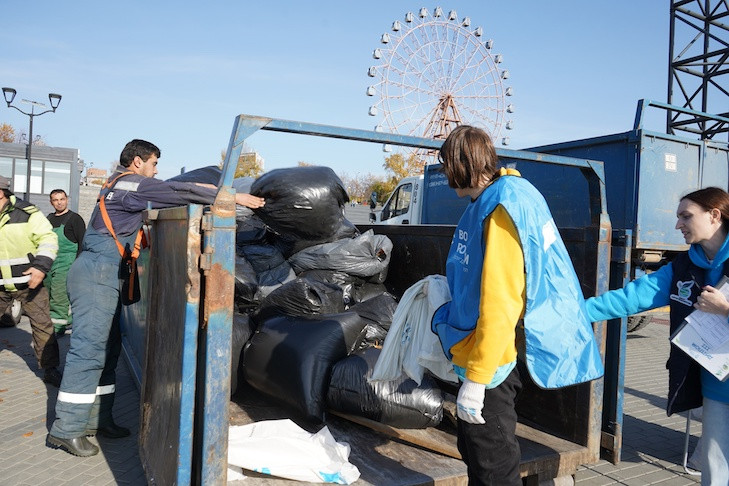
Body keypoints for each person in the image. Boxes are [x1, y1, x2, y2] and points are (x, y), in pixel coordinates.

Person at [47, 139, 265, 458]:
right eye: (153, 163)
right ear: (137, 162)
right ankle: (65, 429)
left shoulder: (120, 186)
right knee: (88, 351)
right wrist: (232, 196)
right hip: (96, 274)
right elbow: (175, 193)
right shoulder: (131, 183)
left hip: (106, 273)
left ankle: (97, 418)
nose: (156, 170)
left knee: (107, 350)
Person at [430, 126, 603, 485]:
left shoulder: (500, 208)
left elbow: (501, 301)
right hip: (487, 352)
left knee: (493, 466)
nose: (444, 173)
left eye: (447, 163)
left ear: (463, 162)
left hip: (492, 360)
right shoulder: (506, 195)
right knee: (481, 456)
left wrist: (477, 381)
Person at [585, 186, 729, 486]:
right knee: (715, 469)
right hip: (717, 386)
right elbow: (631, 297)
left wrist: (726, 308)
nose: (678, 225)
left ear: (714, 215)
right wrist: (573, 313)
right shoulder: (683, 267)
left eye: (686, 216)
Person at [0, 175, 62, 387]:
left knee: (43, 325)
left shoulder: (28, 213)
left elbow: (48, 239)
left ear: (2, 193)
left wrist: (40, 266)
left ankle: (50, 369)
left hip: (29, 283)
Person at [44, 189, 86, 337]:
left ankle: (58, 328)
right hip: (50, 260)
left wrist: (77, 264)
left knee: (59, 294)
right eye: (55, 200)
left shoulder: (75, 219)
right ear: (51, 202)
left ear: (67, 199)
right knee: (48, 292)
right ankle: (65, 319)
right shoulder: (48, 218)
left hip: (67, 261)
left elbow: (83, 243)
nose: (59, 202)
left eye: (62, 199)